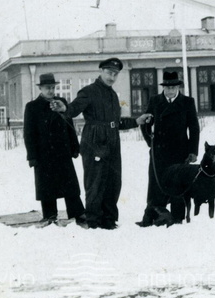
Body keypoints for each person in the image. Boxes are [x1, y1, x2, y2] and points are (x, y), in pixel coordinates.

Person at [52, 58, 148, 229]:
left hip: (112, 142)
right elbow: (73, 109)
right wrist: (64, 108)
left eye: (115, 74)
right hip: (94, 141)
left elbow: (115, 123)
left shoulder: (112, 95)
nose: (112, 77)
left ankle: (109, 220)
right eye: (109, 73)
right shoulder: (89, 91)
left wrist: (136, 121)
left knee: (113, 182)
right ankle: (94, 221)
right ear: (101, 71)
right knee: (95, 182)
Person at [137, 70, 200, 227]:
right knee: (155, 183)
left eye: (174, 87)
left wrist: (193, 151)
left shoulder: (188, 102)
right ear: (163, 87)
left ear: (178, 87)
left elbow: (194, 128)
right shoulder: (155, 101)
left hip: (180, 151)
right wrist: (149, 142)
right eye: (167, 87)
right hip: (159, 152)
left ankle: (177, 218)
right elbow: (145, 124)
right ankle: (151, 217)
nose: (170, 90)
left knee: (177, 184)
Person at [23, 73, 87, 228]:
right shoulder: (32, 107)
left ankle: (78, 213)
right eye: (47, 88)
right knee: (47, 186)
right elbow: (28, 134)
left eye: (52, 87)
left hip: (62, 152)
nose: (50, 91)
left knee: (70, 184)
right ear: (40, 88)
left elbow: (70, 126)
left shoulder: (62, 103)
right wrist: (32, 156)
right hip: (43, 153)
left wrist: (74, 146)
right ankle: (50, 215)